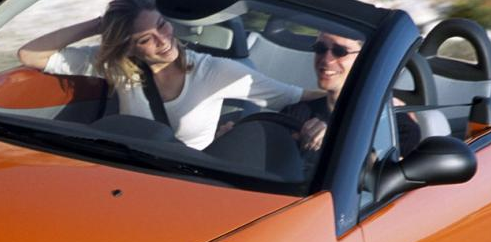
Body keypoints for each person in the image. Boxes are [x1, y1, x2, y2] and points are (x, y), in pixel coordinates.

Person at [17, 0, 320, 150]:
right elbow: (30, 55)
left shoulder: (216, 71)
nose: (163, 40)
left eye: (161, 25)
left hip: (188, 180)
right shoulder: (118, 67)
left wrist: (327, 123)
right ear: (129, 47)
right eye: (145, 39)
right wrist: (100, 24)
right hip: (125, 171)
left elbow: (301, 96)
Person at [281, 32, 421, 157]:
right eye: (320, 48)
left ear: (365, 59)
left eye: (340, 51)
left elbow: (384, 172)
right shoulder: (295, 114)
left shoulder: (396, 128)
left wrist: (334, 141)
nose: (326, 60)